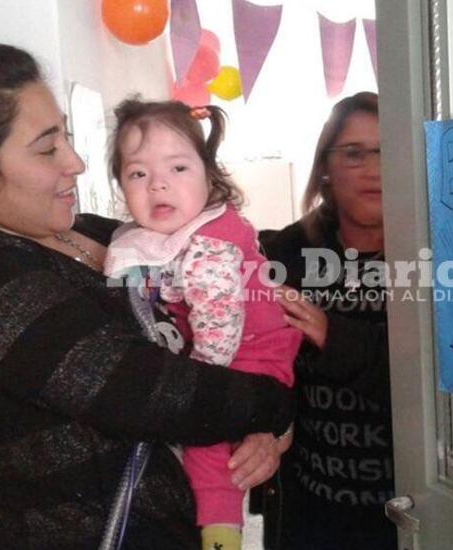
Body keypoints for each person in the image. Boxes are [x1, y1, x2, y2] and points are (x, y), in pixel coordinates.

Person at [0, 40, 294, 550]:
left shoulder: (105, 233)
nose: (75, 163)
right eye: (47, 148)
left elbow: (246, 308)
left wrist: (264, 430)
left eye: (67, 138)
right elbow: (151, 392)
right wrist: (275, 403)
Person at [103, 100, 302, 550]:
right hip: (245, 355)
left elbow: (218, 332)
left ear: (208, 177)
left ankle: (221, 540)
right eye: (138, 174)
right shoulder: (159, 238)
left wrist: (190, 394)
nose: (158, 184)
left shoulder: (209, 246)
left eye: (178, 168)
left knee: (207, 453)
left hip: (247, 358)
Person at [256, 91, 397, 549]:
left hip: (407, 510)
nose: (373, 168)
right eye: (354, 153)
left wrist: (330, 332)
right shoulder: (284, 254)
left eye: (386, 151)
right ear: (325, 169)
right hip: (310, 511)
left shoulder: (440, 254)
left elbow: (433, 385)